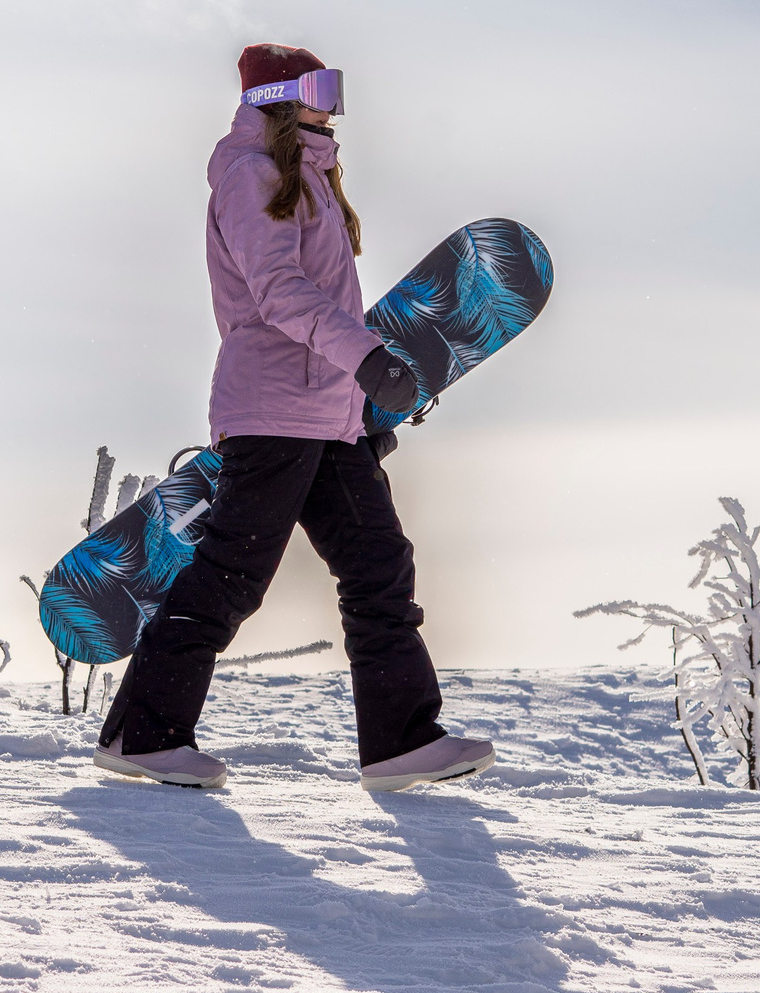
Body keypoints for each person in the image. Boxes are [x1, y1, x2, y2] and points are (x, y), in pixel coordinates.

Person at [94, 43, 497, 795]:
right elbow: (278, 292)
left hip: (323, 413)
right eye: (319, 88)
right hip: (273, 407)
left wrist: (357, 408)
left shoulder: (307, 176)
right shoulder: (251, 174)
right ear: (277, 97)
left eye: (336, 87)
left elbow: (325, 308)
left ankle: (400, 740)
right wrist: (370, 360)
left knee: (379, 565)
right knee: (232, 573)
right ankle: (141, 734)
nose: (332, 105)